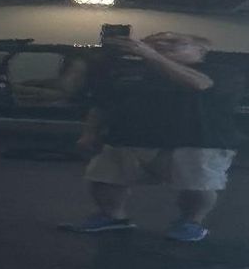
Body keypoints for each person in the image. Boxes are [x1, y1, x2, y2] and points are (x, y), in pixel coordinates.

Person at [72, 29, 237, 242]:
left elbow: (200, 84)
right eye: (154, 43)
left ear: (201, 49)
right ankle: (111, 217)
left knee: (198, 186)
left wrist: (153, 56)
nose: (163, 46)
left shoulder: (220, 71)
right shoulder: (129, 73)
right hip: (128, 138)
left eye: (174, 42)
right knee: (104, 179)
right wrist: (89, 133)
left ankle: (191, 222)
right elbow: (103, 104)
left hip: (196, 141)